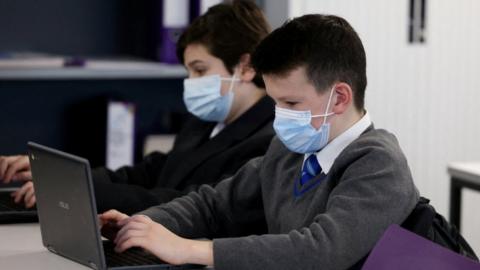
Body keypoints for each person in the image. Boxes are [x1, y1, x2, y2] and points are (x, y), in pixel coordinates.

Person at [97, 14, 427, 269]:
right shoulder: (291, 150)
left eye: (292, 103)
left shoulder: (379, 163)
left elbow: (320, 252)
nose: (279, 114)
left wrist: (189, 249)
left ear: (339, 97)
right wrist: (144, 224)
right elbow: (214, 205)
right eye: (276, 101)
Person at [0, 0, 274, 215]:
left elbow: (192, 201)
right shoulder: (206, 120)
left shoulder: (269, 140)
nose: (191, 83)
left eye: (200, 70)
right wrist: (62, 175)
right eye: (189, 71)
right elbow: (151, 173)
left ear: (246, 67)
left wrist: (82, 190)